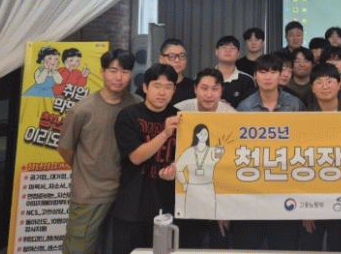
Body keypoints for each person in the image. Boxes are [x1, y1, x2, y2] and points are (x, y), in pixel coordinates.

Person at [58, 49, 138, 254]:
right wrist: (88, 170)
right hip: (90, 193)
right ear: (102, 72)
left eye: (125, 72)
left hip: (126, 193)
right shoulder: (82, 109)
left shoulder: (137, 104)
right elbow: (65, 149)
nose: (119, 77)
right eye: (113, 71)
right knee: (79, 248)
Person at [233, 54, 304, 250]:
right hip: (254, 188)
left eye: (273, 72)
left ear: (281, 75)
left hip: (286, 187)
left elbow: (305, 144)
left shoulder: (295, 105)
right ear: (255, 76)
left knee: (285, 246)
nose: (268, 77)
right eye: (263, 72)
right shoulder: (244, 107)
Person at [111, 64, 180, 254]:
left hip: (167, 207)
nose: (162, 92)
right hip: (132, 207)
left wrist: (176, 169)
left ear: (174, 90)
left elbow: (187, 157)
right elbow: (135, 157)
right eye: (157, 86)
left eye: (168, 87)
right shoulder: (128, 115)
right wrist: (165, 133)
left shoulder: (180, 117)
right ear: (145, 87)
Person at [174, 68, 233, 248]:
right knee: (188, 242)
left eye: (215, 89)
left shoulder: (232, 116)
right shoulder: (180, 110)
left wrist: (223, 209)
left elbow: (230, 168)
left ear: (221, 91)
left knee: (219, 240)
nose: (209, 94)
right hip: (189, 192)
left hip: (216, 189)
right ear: (195, 89)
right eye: (204, 88)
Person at [302, 63, 341, 251]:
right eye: (319, 82)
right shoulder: (303, 117)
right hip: (314, 195)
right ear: (312, 87)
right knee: (310, 246)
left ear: (339, 85)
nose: (325, 86)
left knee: (340, 247)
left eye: (330, 81)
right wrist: (304, 207)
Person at [135, 38, 194, 106]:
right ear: (161, 59)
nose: (177, 60)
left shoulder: (194, 87)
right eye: (172, 56)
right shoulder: (148, 87)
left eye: (182, 56)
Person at [214, 35, 256, 108]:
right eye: (224, 47)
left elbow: (250, 109)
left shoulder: (247, 80)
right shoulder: (204, 77)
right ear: (217, 52)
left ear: (238, 54)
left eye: (233, 48)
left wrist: (229, 109)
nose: (228, 51)